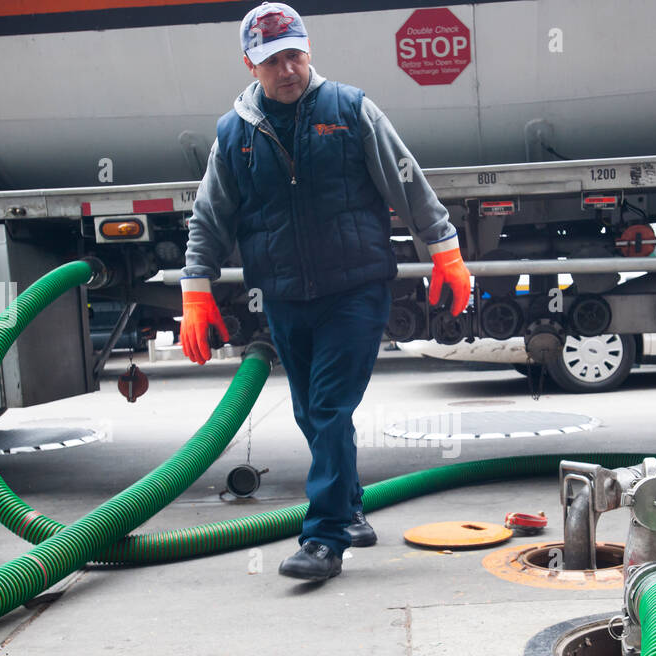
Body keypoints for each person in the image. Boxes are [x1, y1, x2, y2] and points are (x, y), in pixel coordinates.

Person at [180, 1, 470, 582]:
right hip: (286, 293)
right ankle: (353, 507)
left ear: (308, 51)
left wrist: (445, 249)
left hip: (356, 287)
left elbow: (406, 180)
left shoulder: (350, 109)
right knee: (312, 412)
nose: (286, 69)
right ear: (250, 64)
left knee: (331, 407)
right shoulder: (234, 132)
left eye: (295, 55)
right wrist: (196, 287)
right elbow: (210, 215)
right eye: (272, 60)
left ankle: (324, 539)